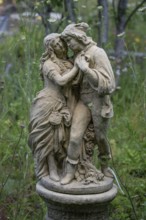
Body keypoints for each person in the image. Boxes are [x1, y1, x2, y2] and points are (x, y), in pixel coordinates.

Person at [61, 23, 115, 185]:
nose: (68, 45)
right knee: (75, 136)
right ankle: (70, 171)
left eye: (69, 40)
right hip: (84, 101)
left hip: (99, 101)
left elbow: (109, 85)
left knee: (101, 137)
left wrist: (86, 69)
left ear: (80, 38)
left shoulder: (98, 53)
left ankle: (105, 165)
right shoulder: (77, 56)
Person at [28, 33, 78, 182]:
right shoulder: (48, 64)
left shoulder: (68, 62)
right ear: (50, 49)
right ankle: (51, 168)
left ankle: (62, 166)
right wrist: (78, 66)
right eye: (56, 44)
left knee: (61, 137)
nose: (61, 46)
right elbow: (61, 81)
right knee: (47, 138)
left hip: (62, 103)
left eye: (61, 43)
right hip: (47, 102)